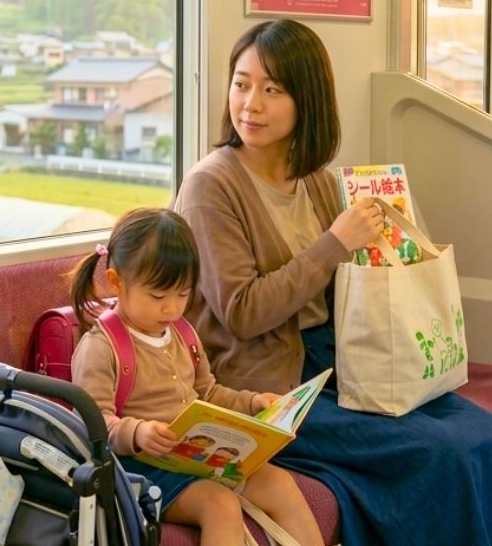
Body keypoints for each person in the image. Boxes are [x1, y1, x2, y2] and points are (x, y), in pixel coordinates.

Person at [174, 19, 492, 546]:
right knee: (442, 454)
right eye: (241, 84)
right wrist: (334, 244)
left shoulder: (317, 180)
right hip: (269, 386)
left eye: (272, 90)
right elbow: (242, 312)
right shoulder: (210, 186)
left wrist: (384, 250)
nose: (250, 104)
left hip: (342, 361)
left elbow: (342, 288)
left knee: (487, 436)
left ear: (307, 100)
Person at [69, 207, 322, 546]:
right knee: (220, 505)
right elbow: (91, 425)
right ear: (117, 282)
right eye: (158, 296)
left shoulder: (183, 333)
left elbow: (209, 393)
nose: (172, 308)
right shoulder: (101, 346)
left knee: (280, 484)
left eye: (183, 294)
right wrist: (138, 432)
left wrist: (253, 403)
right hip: (139, 467)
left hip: (196, 456)